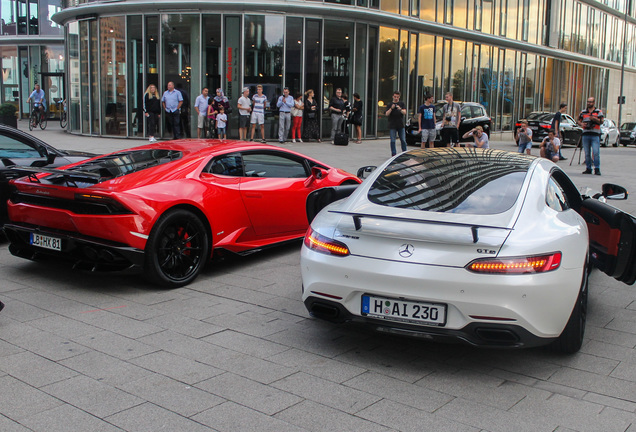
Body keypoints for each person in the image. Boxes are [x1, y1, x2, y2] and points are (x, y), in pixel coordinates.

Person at [578, 96, 604, 175]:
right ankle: (588, 168)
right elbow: (578, 121)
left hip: (595, 134)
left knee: (596, 152)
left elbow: (601, 121)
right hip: (586, 133)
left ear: (594, 103)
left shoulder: (598, 111)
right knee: (587, 152)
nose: (589, 103)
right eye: (588, 102)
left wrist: (594, 119)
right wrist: (582, 124)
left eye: (590, 102)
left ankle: (597, 168)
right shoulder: (583, 112)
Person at [385, 91, 407, 156]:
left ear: (399, 97)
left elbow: (405, 112)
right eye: (395, 97)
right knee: (392, 140)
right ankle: (393, 154)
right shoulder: (389, 104)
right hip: (392, 125)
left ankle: (404, 153)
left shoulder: (401, 103)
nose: (396, 98)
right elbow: (386, 114)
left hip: (400, 124)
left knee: (403, 140)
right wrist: (391, 108)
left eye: (397, 97)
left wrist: (400, 109)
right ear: (393, 96)